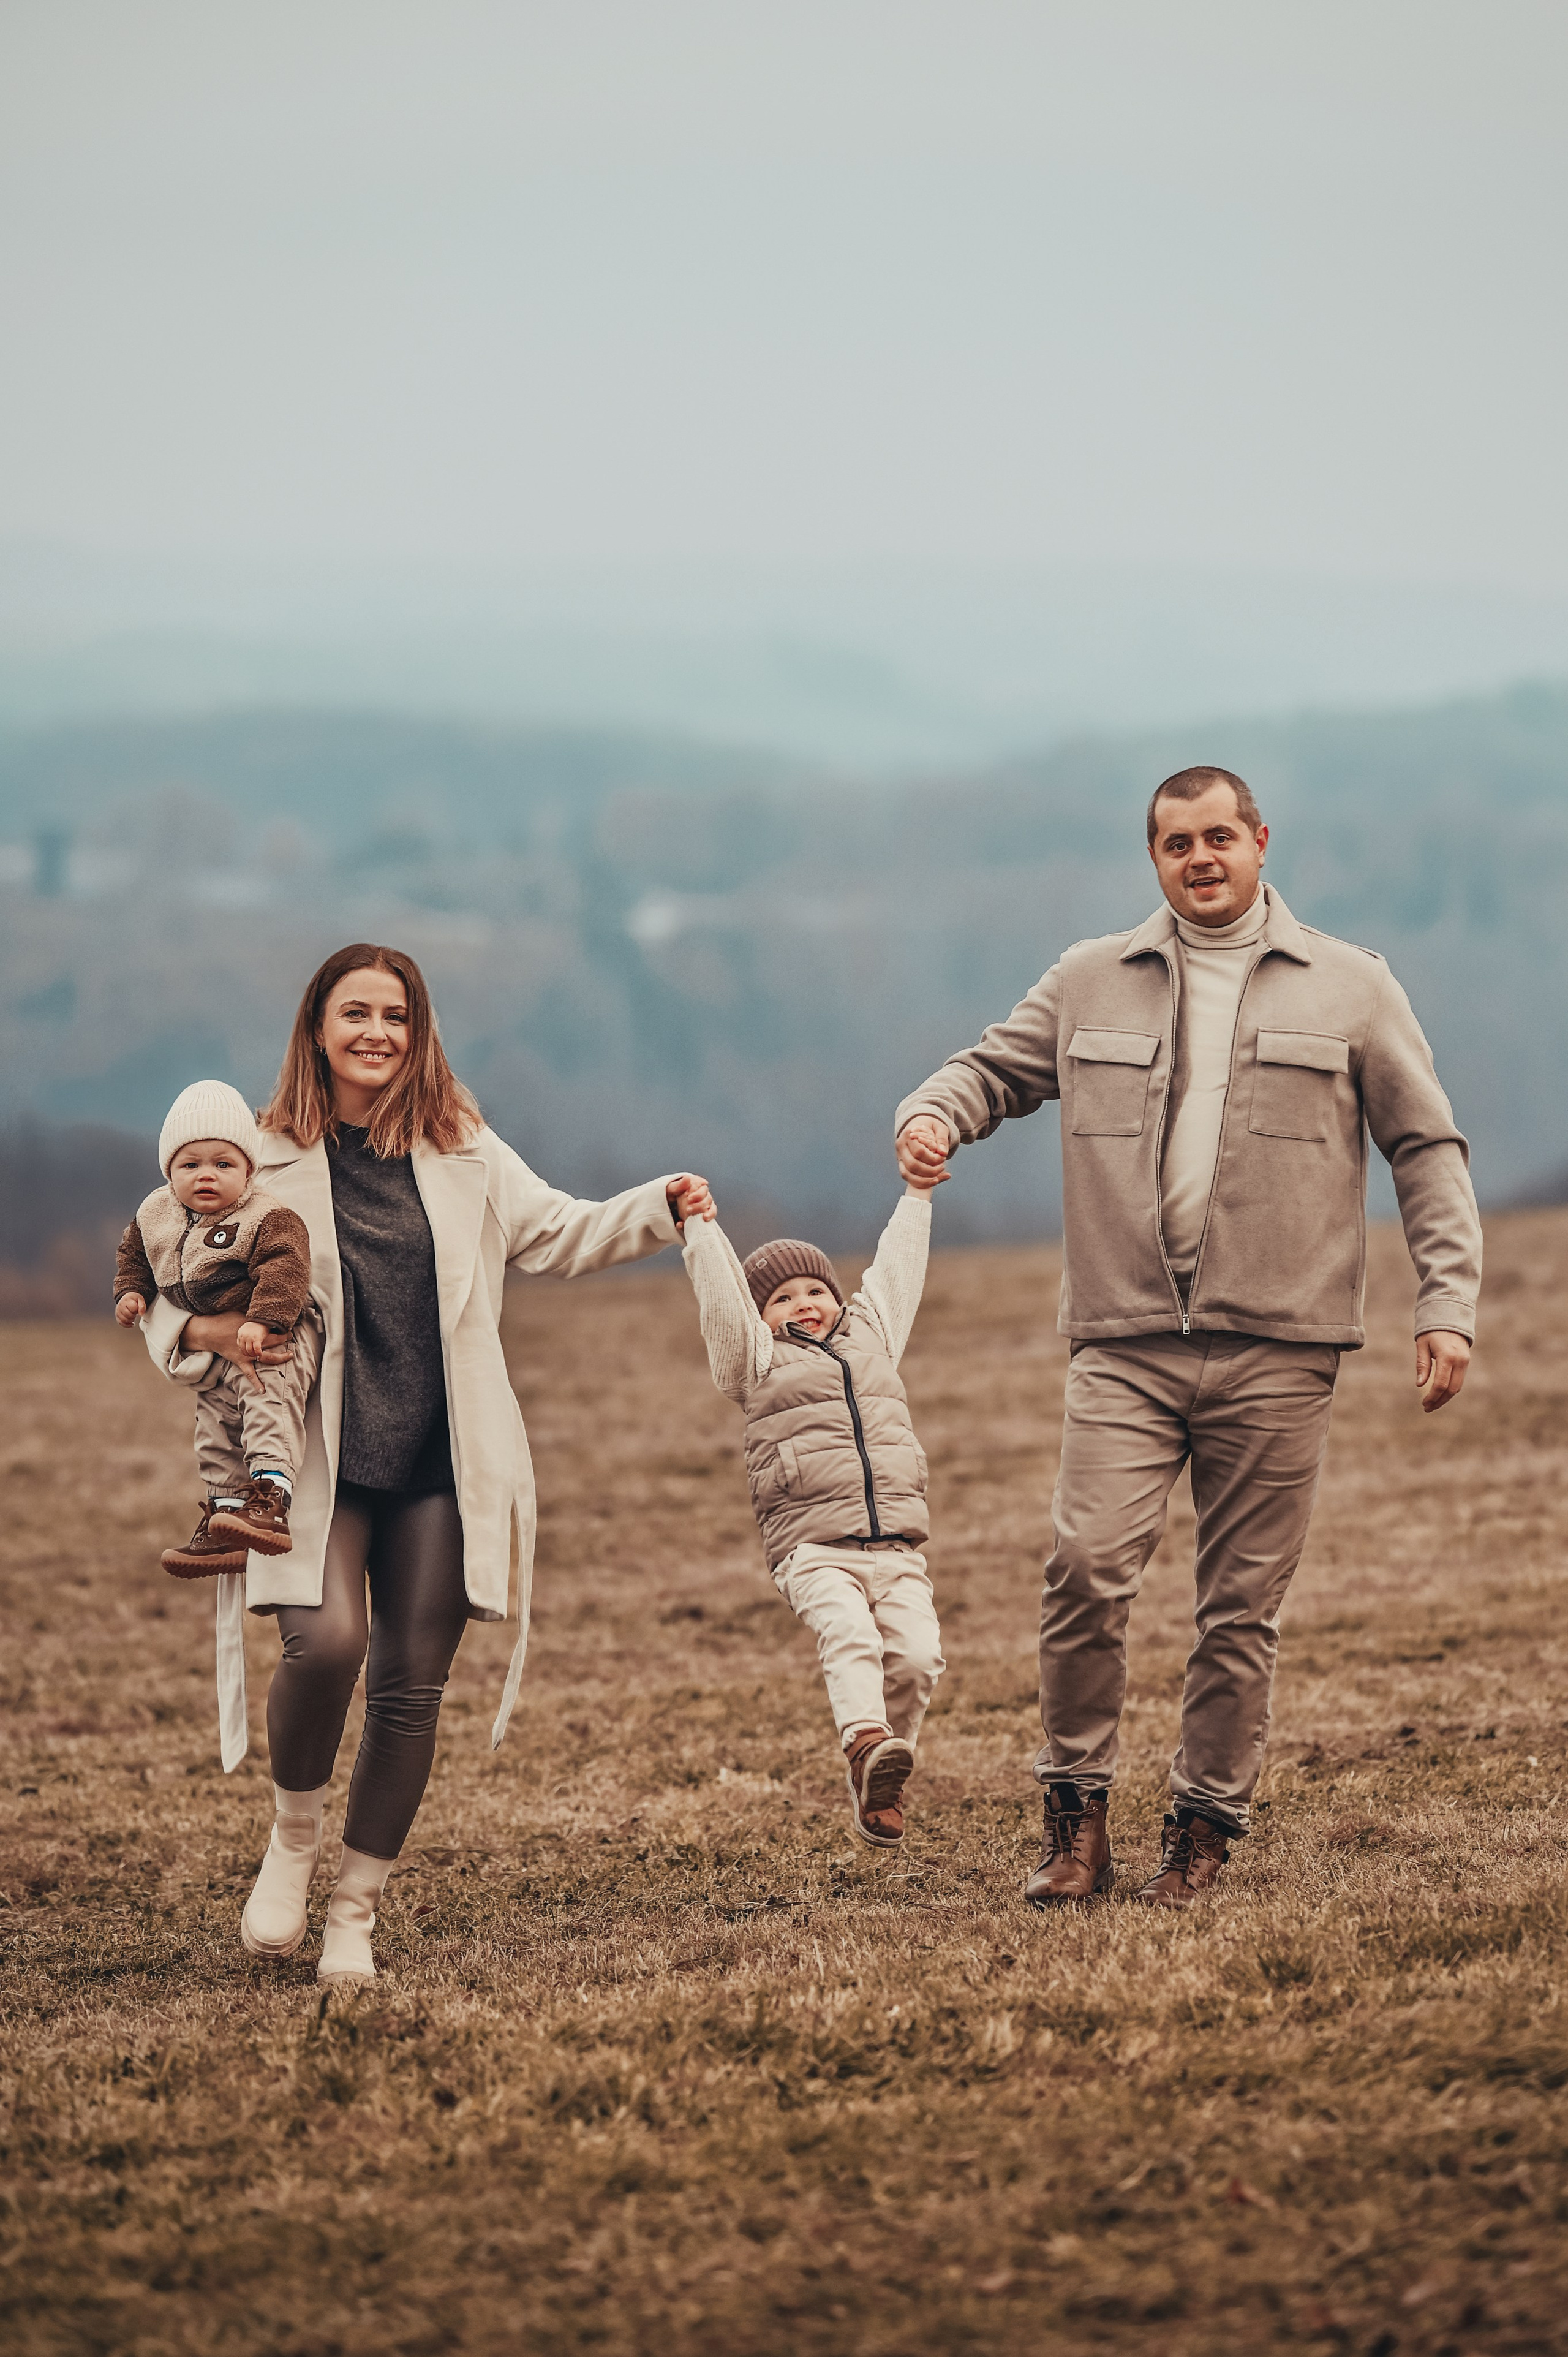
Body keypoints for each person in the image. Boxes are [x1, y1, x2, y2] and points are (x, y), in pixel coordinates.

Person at [895, 766, 1481, 1910]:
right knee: (1083, 1571)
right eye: (1178, 843)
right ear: (1154, 857)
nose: (1203, 858)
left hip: (1283, 1348)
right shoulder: (1089, 978)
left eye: (1223, 837)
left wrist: (1447, 1301)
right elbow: (988, 1070)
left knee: (1239, 1607)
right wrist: (930, 1112)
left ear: (1262, 841)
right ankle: (1076, 1823)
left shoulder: (1354, 987)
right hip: (1124, 1340)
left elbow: (1427, 1147)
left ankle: (1201, 1832)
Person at [138, 942, 712, 1986]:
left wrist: (659, 1207)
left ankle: (355, 1911)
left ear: (419, 1029)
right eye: (355, 1012)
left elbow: (559, 1233)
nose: (377, 1033)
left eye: (396, 1015)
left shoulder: (463, 1147)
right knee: (326, 1644)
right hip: (317, 1459)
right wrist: (212, 1340)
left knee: (410, 1688)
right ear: (317, 1028)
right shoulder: (256, 1156)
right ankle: (295, 1835)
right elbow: (163, 1279)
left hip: (439, 1460)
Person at [680, 1178, 945, 1847]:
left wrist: (917, 1194)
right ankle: (864, 1743)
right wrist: (701, 1231)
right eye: (781, 1298)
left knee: (918, 1659)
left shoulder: (874, 1336)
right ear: (759, 1315)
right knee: (851, 1636)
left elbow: (897, 1270)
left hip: (896, 1547)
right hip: (813, 1548)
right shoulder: (756, 1363)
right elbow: (720, 1305)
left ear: (837, 1296)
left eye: (815, 1291)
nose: (804, 1304)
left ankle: (886, 1770)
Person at [114, 1080, 320, 1576]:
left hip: (269, 1339)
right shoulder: (155, 1213)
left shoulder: (266, 1215)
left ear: (248, 1169)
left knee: (266, 1405)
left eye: (223, 1164)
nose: (207, 1175)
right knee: (213, 1429)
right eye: (191, 1165)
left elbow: (286, 1265)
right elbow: (134, 1254)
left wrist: (265, 1319)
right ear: (170, 1171)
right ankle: (226, 1517)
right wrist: (131, 1292)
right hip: (216, 1358)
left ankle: (270, 1499)